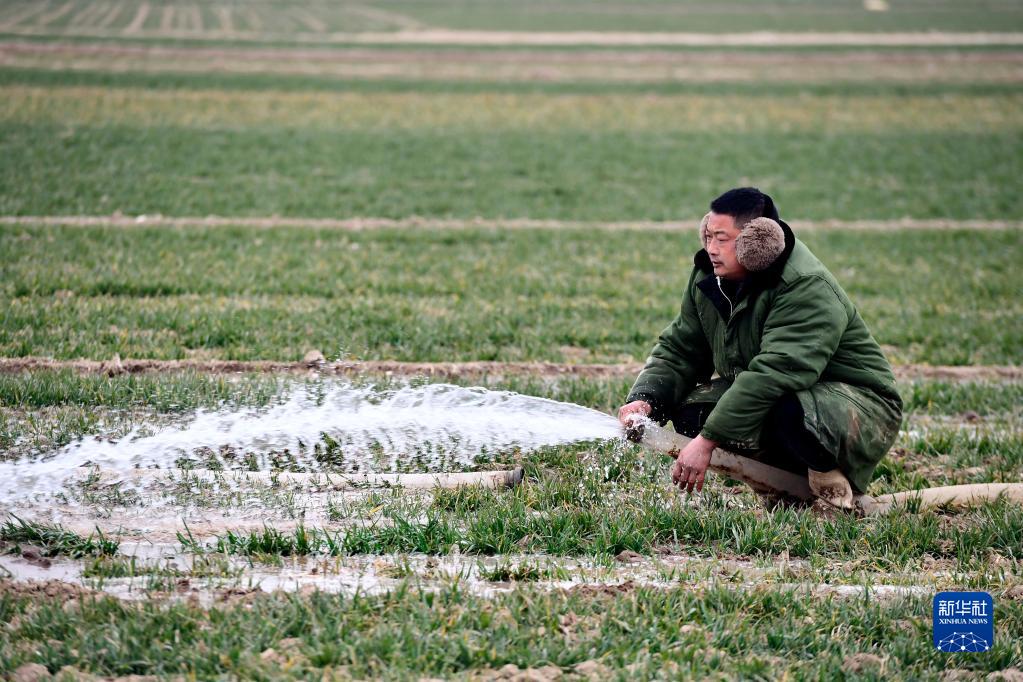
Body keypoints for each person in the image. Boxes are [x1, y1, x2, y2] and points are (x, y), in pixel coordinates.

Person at [617, 187, 902, 510]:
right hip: (789, 395)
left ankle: (829, 482)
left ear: (758, 243)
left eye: (721, 239)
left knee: (789, 411)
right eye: (707, 236)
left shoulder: (806, 285)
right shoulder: (709, 280)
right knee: (692, 411)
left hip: (859, 407)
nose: (711, 248)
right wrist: (646, 400)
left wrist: (707, 441)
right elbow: (680, 348)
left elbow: (776, 373)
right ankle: (781, 485)